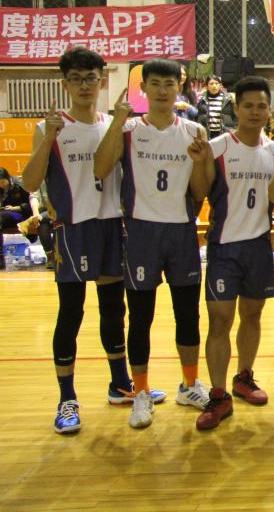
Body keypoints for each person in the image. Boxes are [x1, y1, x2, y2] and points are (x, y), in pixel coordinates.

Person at [20, 47, 165, 433]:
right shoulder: (50, 126)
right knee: (71, 311)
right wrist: (48, 138)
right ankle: (67, 398)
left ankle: (120, 385)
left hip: (112, 225)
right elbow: (30, 183)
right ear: (65, 84)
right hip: (74, 228)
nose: (84, 85)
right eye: (76, 79)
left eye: (91, 78)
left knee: (113, 309)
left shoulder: (114, 123)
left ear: (101, 81)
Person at [93, 58, 210, 429]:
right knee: (140, 317)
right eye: (155, 83)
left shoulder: (194, 130)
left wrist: (198, 163)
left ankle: (189, 384)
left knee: (187, 315)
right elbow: (100, 168)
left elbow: (200, 192)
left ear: (180, 87)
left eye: (168, 83)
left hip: (182, 232)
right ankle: (141, 392)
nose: (162, 90)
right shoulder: (128, 129)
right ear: (143, 88)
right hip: (142, 232)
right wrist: (116, 121)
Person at [193, 76, 274, 430]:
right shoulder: (216, 148)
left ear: (269, 109)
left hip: (259, 246)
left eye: (261, 106)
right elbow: (199, 192)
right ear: (237, 108)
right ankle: (218, 395)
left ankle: (244, 377)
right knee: (219, 321)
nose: (255, 112)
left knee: (253, 316)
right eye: (248, 106)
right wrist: (198, 163)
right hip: (224, 248)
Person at [0, 168, 32, 262]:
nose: (1, 185)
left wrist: (15, 208)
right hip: (4, 215)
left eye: (2, 182)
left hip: (20, 214)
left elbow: (30, 205)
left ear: (8, 178)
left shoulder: (19, 185)